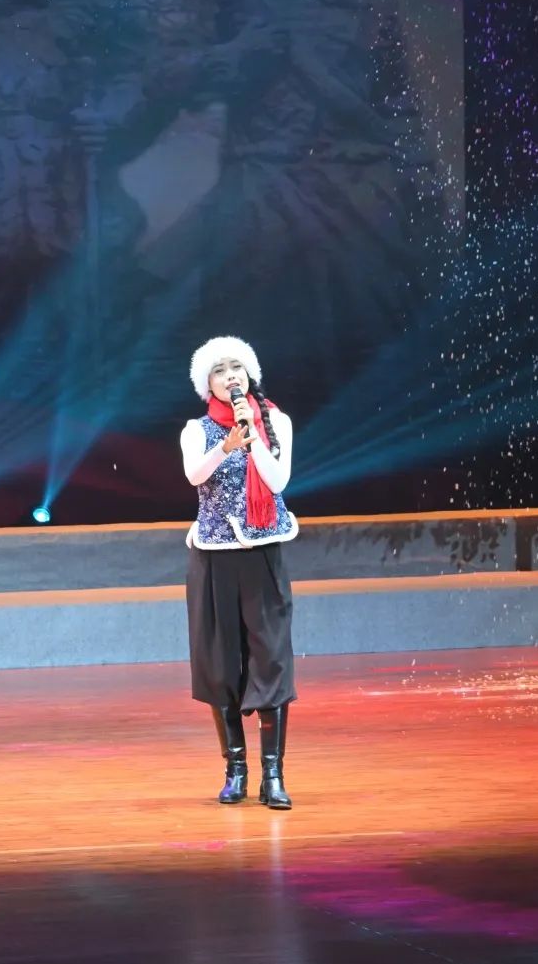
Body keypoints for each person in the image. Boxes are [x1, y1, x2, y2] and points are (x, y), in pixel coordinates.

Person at [181, 336, 297, 810]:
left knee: (271, 658)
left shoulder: (276, 421)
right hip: (214, 557)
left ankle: (273, 774)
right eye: (220, 370)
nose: (231, 376)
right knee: (220, 661)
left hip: (263, 552)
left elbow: (278, 481)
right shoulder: (197, 429)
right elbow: (194, 475)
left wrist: (252, 438)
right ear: (207, 383)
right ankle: (235, 770)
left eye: (237, 368)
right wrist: (226, 446)